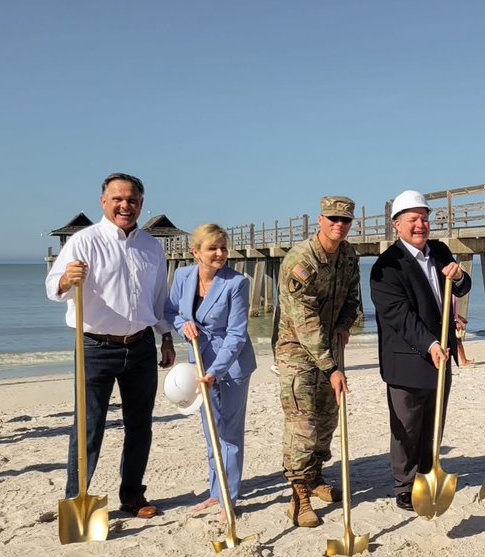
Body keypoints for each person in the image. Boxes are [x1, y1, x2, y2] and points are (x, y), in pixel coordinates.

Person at [45, 172, 175, 519]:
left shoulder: (151, 247)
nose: (125, 205)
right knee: (88, 427)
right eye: (117, 199)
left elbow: (158, 298)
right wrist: (66, 279)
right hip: (95, 347)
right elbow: (52, 287)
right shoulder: (84, 242)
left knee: (140, 426)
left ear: (141, 204)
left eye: (132, 200)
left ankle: (132, 495)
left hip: (141, 345)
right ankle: (77, 499)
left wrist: (165, 336)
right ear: (103, 202)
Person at [370, 190, 471, 512]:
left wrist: (460, 276)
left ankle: (428, 473)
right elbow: (399, 315)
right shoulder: (387, 266)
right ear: (396, 224)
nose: (420, 225)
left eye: (424, 219)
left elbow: (462, 288)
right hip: (408, 360)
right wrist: (430, 344)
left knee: (434, 421)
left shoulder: (440, 251)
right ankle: (405, 484)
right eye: (413, 219)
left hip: (442, 356)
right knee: (407, 427)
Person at [274, 195, 361, 527]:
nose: (339, 225)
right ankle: (298, 497)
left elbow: (353, 299)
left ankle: (315, 477)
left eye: (345, 220)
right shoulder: (301, 261)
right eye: (333, 219)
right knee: (303, 426)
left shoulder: (348, 256)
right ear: (320, 220)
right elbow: (304, 321)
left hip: (330, 349)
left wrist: (344, 325)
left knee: (326, 421)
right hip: (298, 352)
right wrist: (331, 367)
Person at [164, 224, 257, 517]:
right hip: (198, 362)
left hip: (231, 365)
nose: (219, 253)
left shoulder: (236, 283)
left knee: (229, 433)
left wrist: (215, 371)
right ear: (195, 252)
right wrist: (183, 325)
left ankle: (228, 497)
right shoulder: (182, 276)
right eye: (212, 248)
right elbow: (170, 311)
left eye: (223, 248)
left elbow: (237, 335)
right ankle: (216, 493)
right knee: (211, 430)